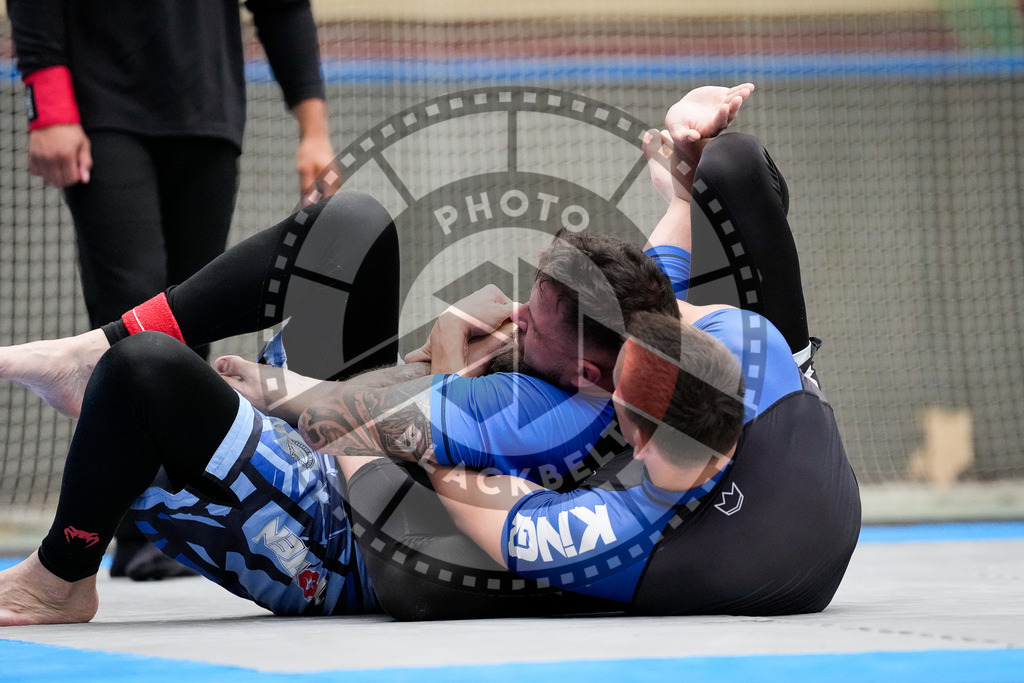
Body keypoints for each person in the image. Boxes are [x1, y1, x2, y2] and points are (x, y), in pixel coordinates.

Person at [298, 85, 861, 616]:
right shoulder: (735, 337)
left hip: (726, 528)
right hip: (790, 465)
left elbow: (470, 488)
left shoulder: (618, 507)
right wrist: (684, 180)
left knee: (415, 574)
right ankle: (798, 367)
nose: (516, 319)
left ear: (598, 383)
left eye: (533, 329)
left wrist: (423, 389)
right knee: (730, 165)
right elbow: (659, 285)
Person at [7, 0, 340, 579]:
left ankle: (164, 521)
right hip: (100, 105)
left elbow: (282, 6)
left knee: (186, 324)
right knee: (130, 306)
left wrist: (314, 128)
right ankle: (122, 533)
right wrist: (49, 105)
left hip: (206, 112)